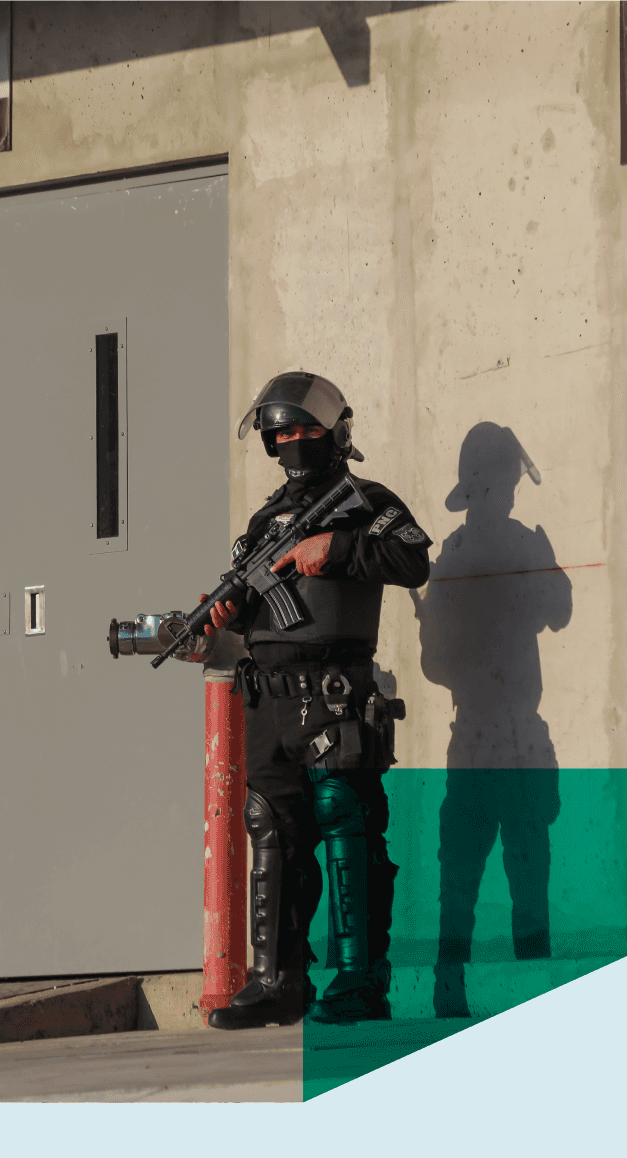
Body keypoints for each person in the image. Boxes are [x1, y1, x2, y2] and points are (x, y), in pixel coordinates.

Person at [201, 372, 430, 1028]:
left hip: (333, 691)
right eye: (283, 434)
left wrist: (340, 547)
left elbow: (414, 559)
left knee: (345, 820)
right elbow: (247, 605)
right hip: (266, 698)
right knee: (271, 829)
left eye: (306, 430)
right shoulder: (265, 518)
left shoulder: (364, 500)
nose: (295, 442)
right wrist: (215, 618)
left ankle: (358, 984)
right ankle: (278, 982)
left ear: (335, 431)